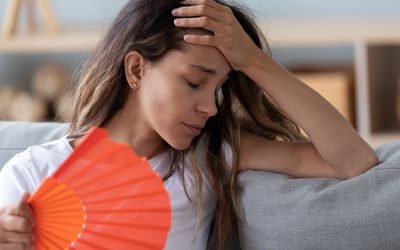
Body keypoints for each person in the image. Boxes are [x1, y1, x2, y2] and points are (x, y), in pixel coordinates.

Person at [0, 0, 379, 249]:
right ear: (136, 69)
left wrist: (253, 61)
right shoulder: (32, 174)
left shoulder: (207, 158)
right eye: (195, 82)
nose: (211, 108)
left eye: (219, 90)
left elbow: (352, 161)